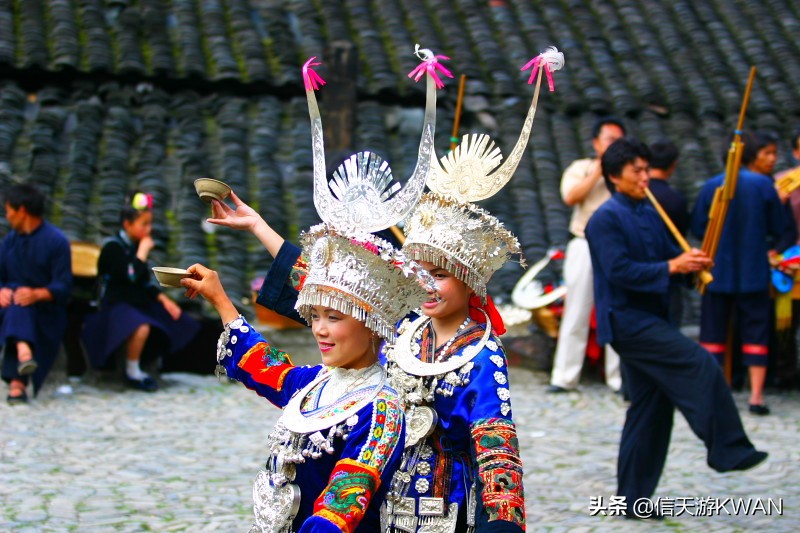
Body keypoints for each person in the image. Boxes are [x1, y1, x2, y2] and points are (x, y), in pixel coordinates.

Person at [209, 46, 556, 532]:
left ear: (470, 279)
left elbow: (498, 457)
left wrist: (501, 524)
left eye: (440, 274)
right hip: (381, 491)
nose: (426, 285)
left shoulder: (480, 357)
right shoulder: (405, 328)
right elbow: (332, 293)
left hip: (443, 507)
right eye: (420, 271)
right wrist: (260, 227)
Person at [586, 137, 768, 519]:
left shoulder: (649, 211)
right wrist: (673, 267)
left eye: (645, 169)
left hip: (656, 316)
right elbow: (619, 272)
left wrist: (690, 267)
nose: (644, 177)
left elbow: (669, 259)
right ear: (614, 176)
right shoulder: (604, 219)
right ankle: (728, 449)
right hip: (627, 321)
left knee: (650, 409)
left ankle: (631, 501)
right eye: (636, 170)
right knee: (699, 363)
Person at [691, 131, 791, 415]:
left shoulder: (711, 186)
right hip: (753, 269)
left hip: (717, 270)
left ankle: (716, 394)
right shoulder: (763, 186)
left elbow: (699, 228)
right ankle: (756, 396)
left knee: (713, 332)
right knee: (756, 330)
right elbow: (778, 226)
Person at [81, 192, 199, 392]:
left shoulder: (135, 246)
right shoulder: (112, 248)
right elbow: (131, 276)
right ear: (127, 224)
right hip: (115, 305)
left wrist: (164, 299)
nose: (148, 230)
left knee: (178, 319)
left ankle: (156, 362)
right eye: (143, 224)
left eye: (149, 224)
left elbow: (143, 283)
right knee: (141, 327)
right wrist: (143, 252)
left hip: (136, 302)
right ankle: (132, 370)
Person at [548, 116, 625, 394]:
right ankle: (564, 377)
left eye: (619, 141)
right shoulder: (581, 168)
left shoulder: (626, 172)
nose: (614, 145)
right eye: (609, 140)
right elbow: (570, 197)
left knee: (618, 309)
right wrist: (600, 170)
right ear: (596, 143)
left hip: (618, 247)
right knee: (576, 310)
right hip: (583, 242)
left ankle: (618, 378)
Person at [0, 183, 72, 404]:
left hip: (45, 311)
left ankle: (17, 382)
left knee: (20, 306)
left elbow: (63, 287)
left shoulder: (56, 241)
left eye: (9, 210)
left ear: (21, 211)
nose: (7, 216)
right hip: (12, 308)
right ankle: (23, 354)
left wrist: (37, 294)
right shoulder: (8, 243)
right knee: (15, 301)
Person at [647, 140, 689, 326]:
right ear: (674, 165)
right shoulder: (676, 200)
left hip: (640, 270)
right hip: (669, 271)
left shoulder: (635, 197)